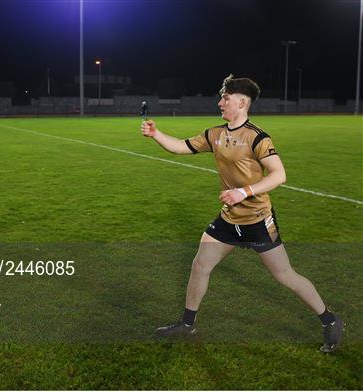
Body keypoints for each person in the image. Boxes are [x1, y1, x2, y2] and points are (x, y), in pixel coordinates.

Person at [141, 74, 344, 353]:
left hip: (258, 219)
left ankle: (330, 321)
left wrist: (243, 192)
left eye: (225, 97)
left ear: (241, 102)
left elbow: (279, 175)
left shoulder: (257, 137)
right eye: (221, 97)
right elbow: (180, 147)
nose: (220, 102)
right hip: (228, 220)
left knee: (285, 275)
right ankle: (187, 326)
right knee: (200, 265)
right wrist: (156, 134)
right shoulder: (215, 134)